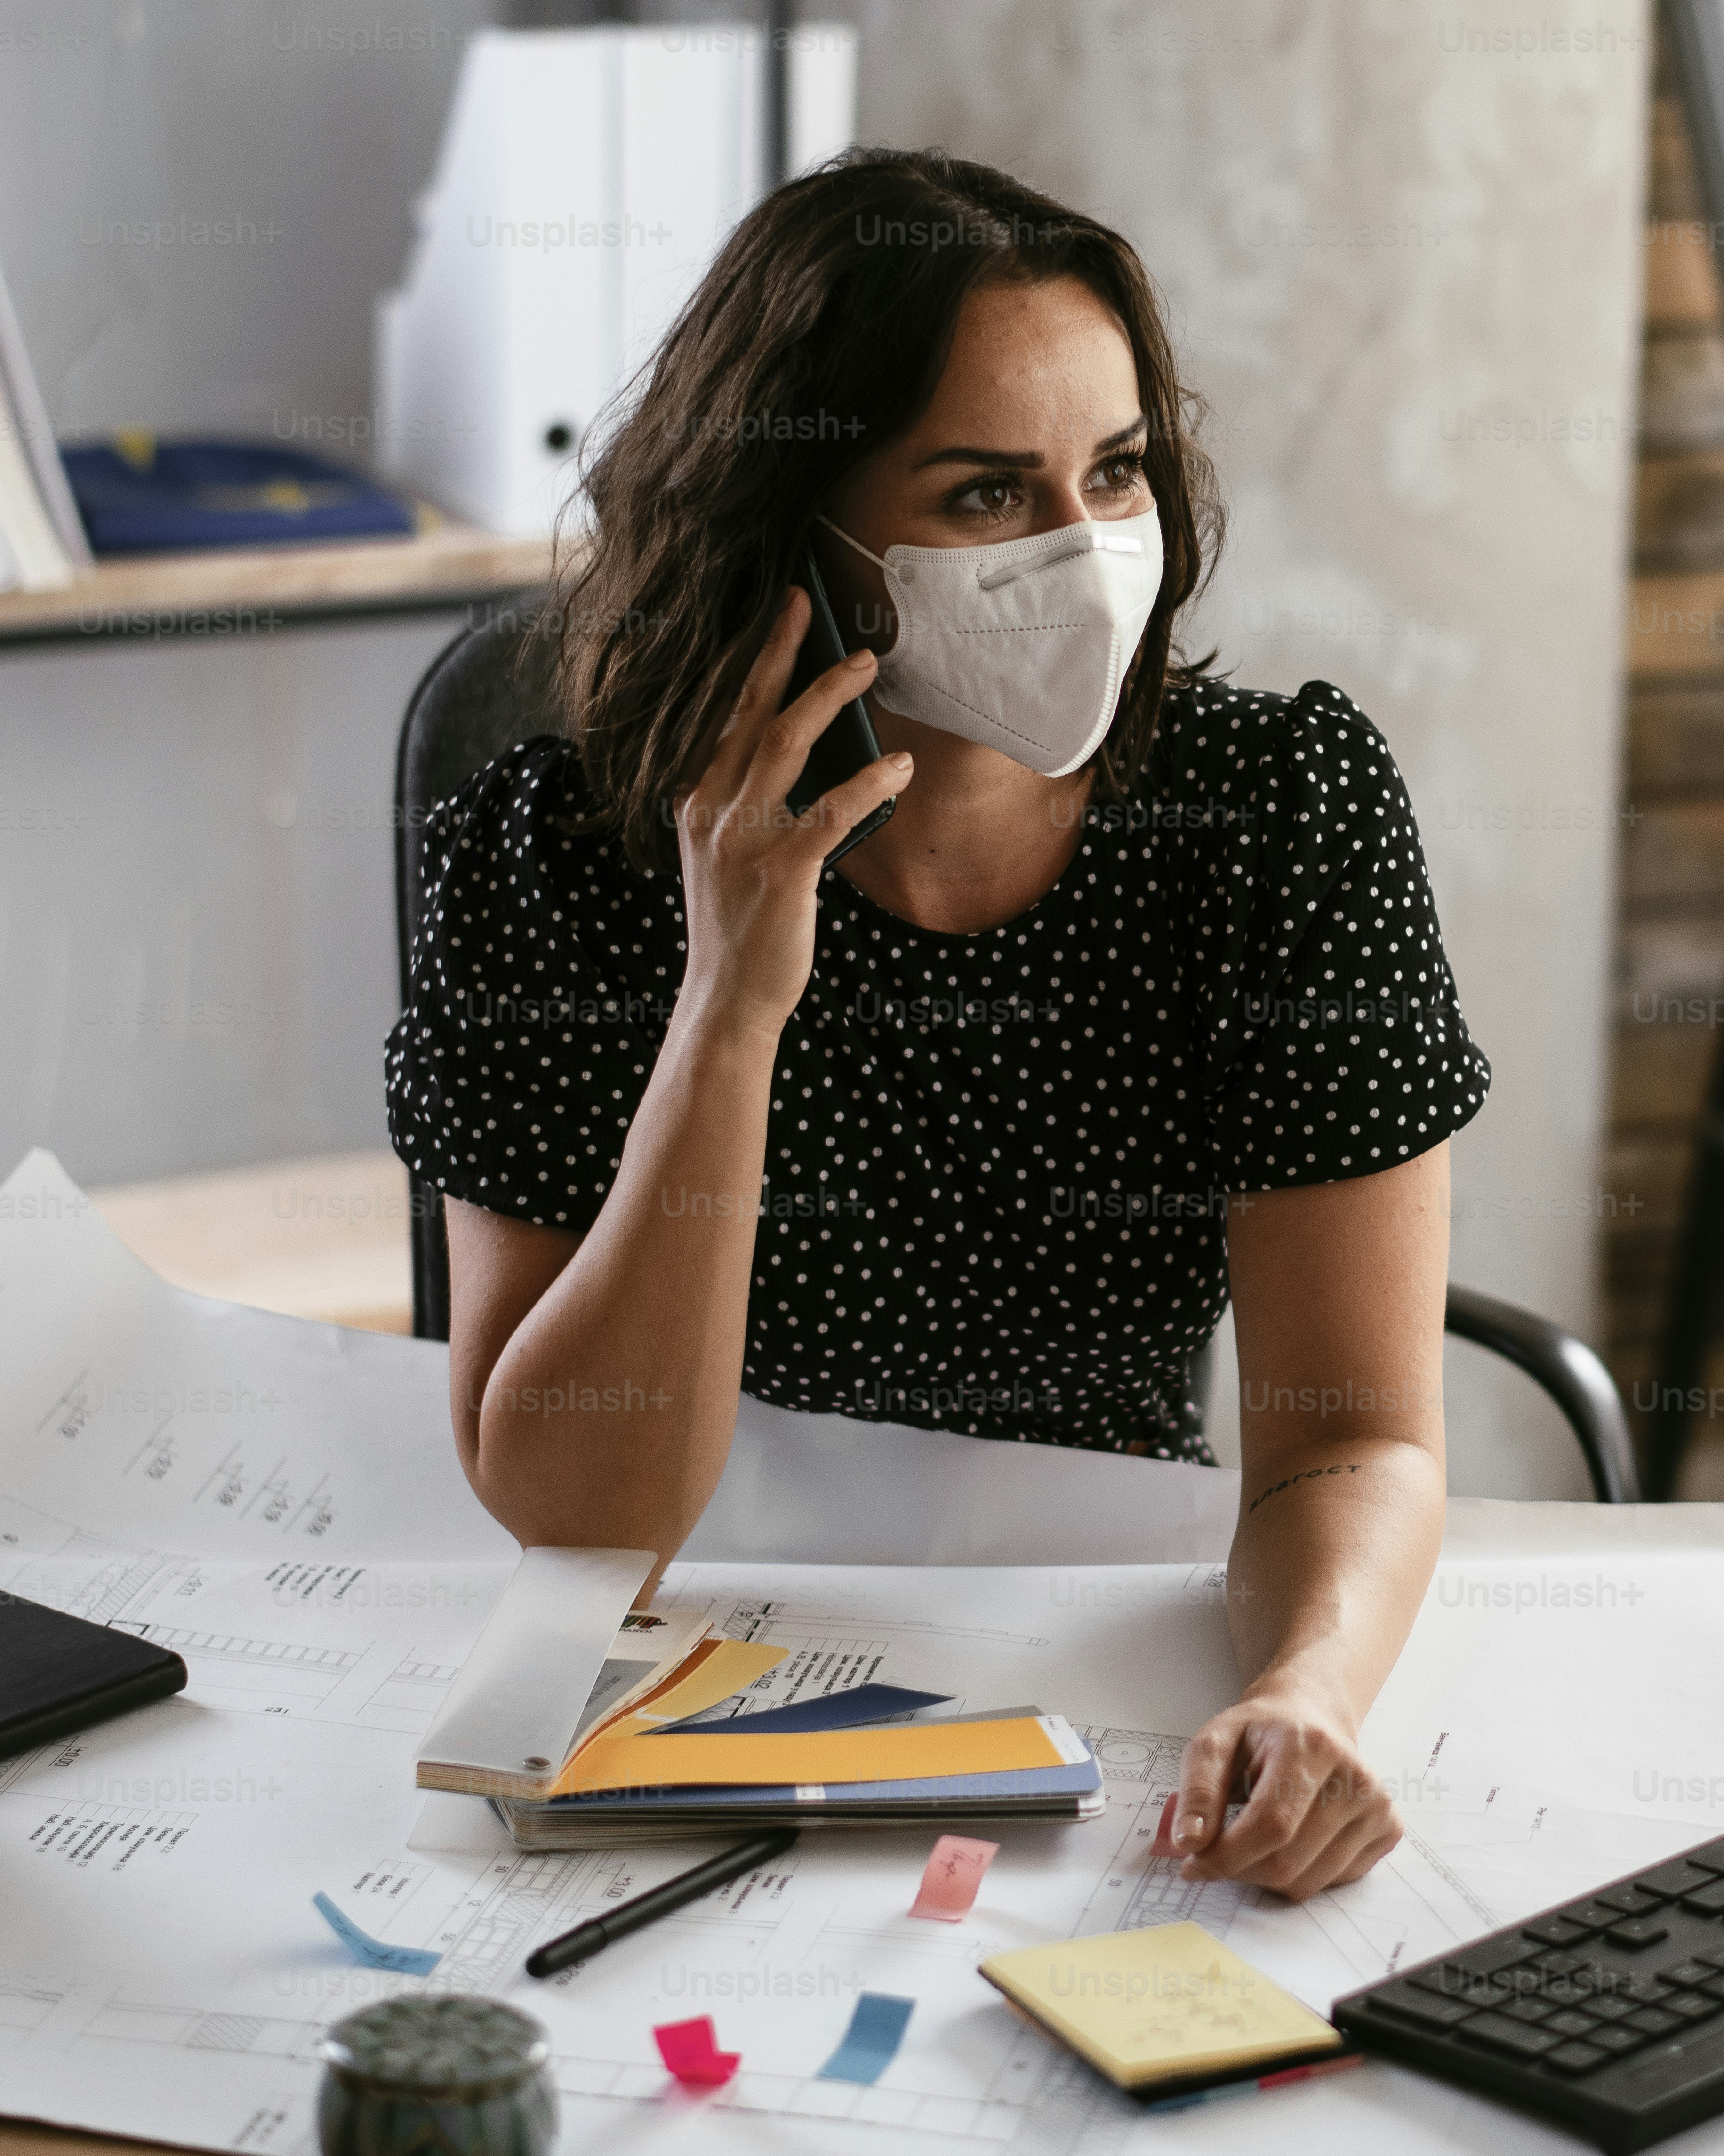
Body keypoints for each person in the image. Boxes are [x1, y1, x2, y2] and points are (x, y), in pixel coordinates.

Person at [387, 149, 1489, 1899]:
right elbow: (577, 1519)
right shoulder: (548, 863)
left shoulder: (1283, 815)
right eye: (986, 496)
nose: (1081, 551)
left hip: (1104, 1648)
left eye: (1113, 473)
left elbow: (1353, 1433)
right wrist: (731, 1008)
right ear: (799, 542)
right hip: (687, 1661)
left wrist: (1307, 1685)